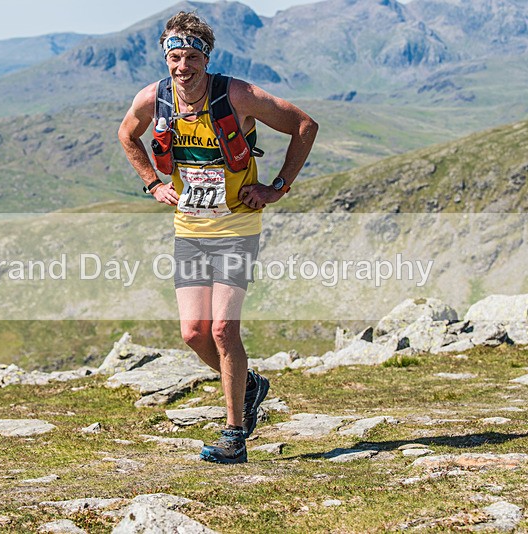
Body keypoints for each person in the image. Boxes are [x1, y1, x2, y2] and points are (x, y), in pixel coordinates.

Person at [118, 11, 318, 464]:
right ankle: (249, 386)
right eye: (174, 56)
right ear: (165, 58)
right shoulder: (154, 98)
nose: (181, 66)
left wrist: (278, 187)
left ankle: (234, 435)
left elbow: (305, 125)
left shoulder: (238, 95)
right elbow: (127, 135)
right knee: (194, 334)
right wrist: (153, 183)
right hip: (189, 229)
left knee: (225, 329)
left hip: (237, 227)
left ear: (206, 58)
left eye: (190, 56)